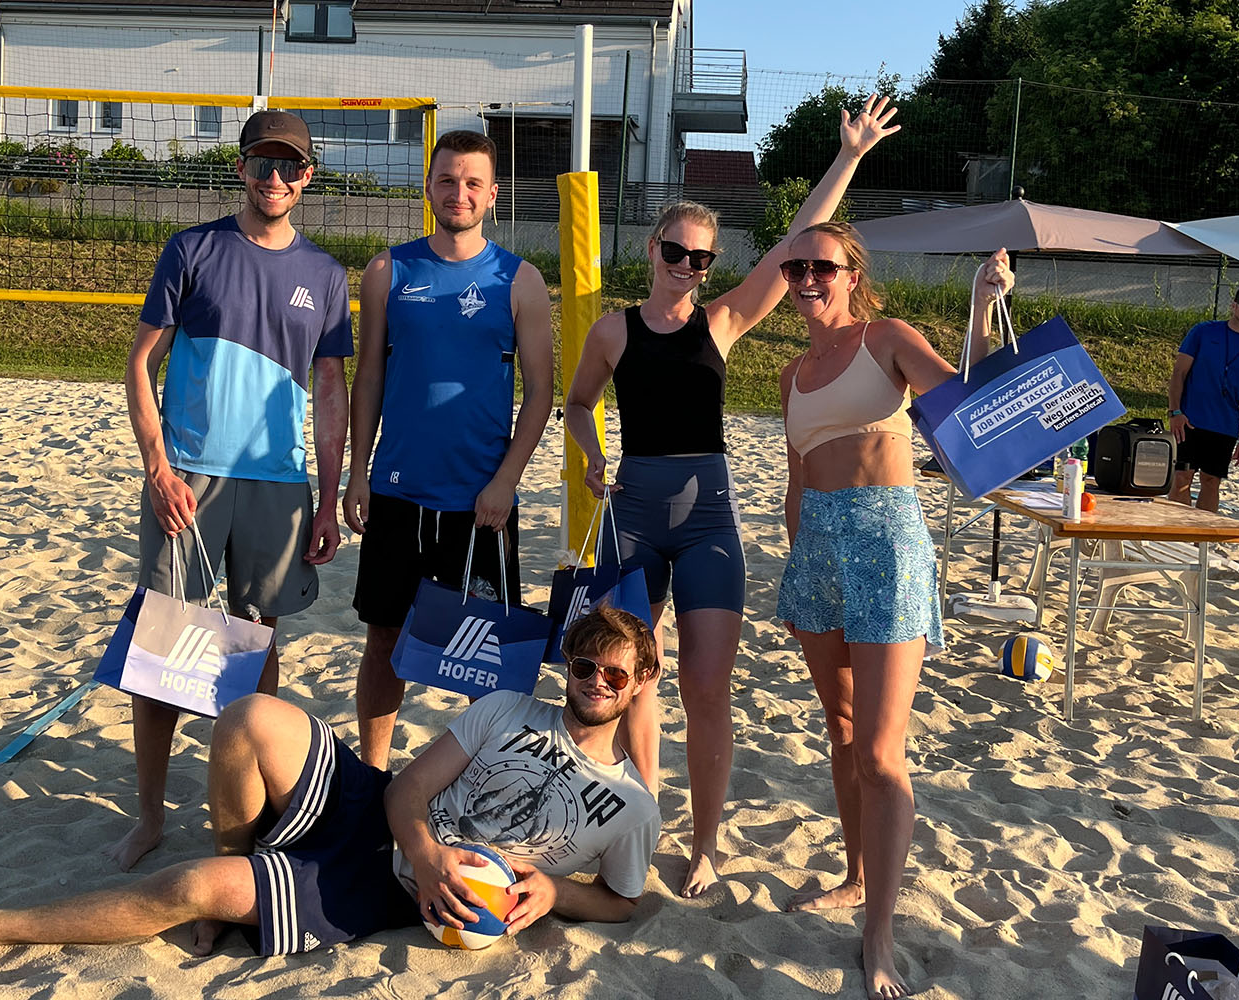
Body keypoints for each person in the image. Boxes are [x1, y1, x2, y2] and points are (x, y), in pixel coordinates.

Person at [0, 606, 661, 965]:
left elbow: (625, 903)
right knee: (250, 713)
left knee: (189, 884)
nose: (595, 680)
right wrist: (425, 851)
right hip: (381, 820)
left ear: (639, 685)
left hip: (388, 890)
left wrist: (558, 895)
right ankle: (240, 868)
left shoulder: (631, 807)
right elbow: (405, 791)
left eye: (614, 672)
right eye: (585, 664)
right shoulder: (506, 709)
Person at [563, 95, 900, 900]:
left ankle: (705, 842)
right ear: (652, 250)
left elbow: (797, 246)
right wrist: (589, 455)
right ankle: (637, 816)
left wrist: (848, 156)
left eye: (701, 258)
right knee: (628, 678)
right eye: (676, 251)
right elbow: (577, 403)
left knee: (706, 687)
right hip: (634, 513)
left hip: (710, 516)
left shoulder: (721, 322)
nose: (687, 265)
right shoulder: (613, 330)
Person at [775, 224, 1011, 1000]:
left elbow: (966, 406)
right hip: (817, 556)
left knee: (880, 753)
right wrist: (797, 563)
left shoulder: (887, 339)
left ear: (851, 275)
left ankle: (878, 932)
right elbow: (796, 481)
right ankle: (854, 875)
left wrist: (981, 307)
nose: (809, 276)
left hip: (887, 541)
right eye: (797, 265)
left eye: (824, 266)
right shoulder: (791, 373)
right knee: (840, 731)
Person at [112, 110, 351, 872]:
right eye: (261, 164)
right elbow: (139, 364)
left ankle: (252, 812)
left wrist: (327, 496)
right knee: (162, 653)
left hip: (278, 485)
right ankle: (149, 816)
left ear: (309, 176)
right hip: (189, 478)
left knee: (256, 647)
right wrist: (157, 466)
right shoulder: (193, 248)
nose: (274, 178)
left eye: (289, 166)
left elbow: (333, 391)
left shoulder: (325, 274)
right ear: (240, 169)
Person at [344, 129, 554, 770]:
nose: (457, 192)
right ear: (428, 186)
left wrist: (506, 481)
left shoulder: (519, 279)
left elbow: (541, 392)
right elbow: (370, 377)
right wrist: (358, 474)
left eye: (471, 183)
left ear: (493, 194)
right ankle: (375, 776)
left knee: (485, 652)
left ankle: (479, 779)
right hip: (398, 488)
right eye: (446, 180)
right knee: (385, 640)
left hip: (480, 500)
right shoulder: (389, 269)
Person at [1167, 284, 1239, 512]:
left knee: (1211, 482)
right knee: (1182, 479)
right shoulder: (1203, 331)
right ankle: (1175, 535)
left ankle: (1199, 544)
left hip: (1224, 426)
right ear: (1234, 305)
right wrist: (1175, 412)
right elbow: (1179, 374)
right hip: (1189, 420)